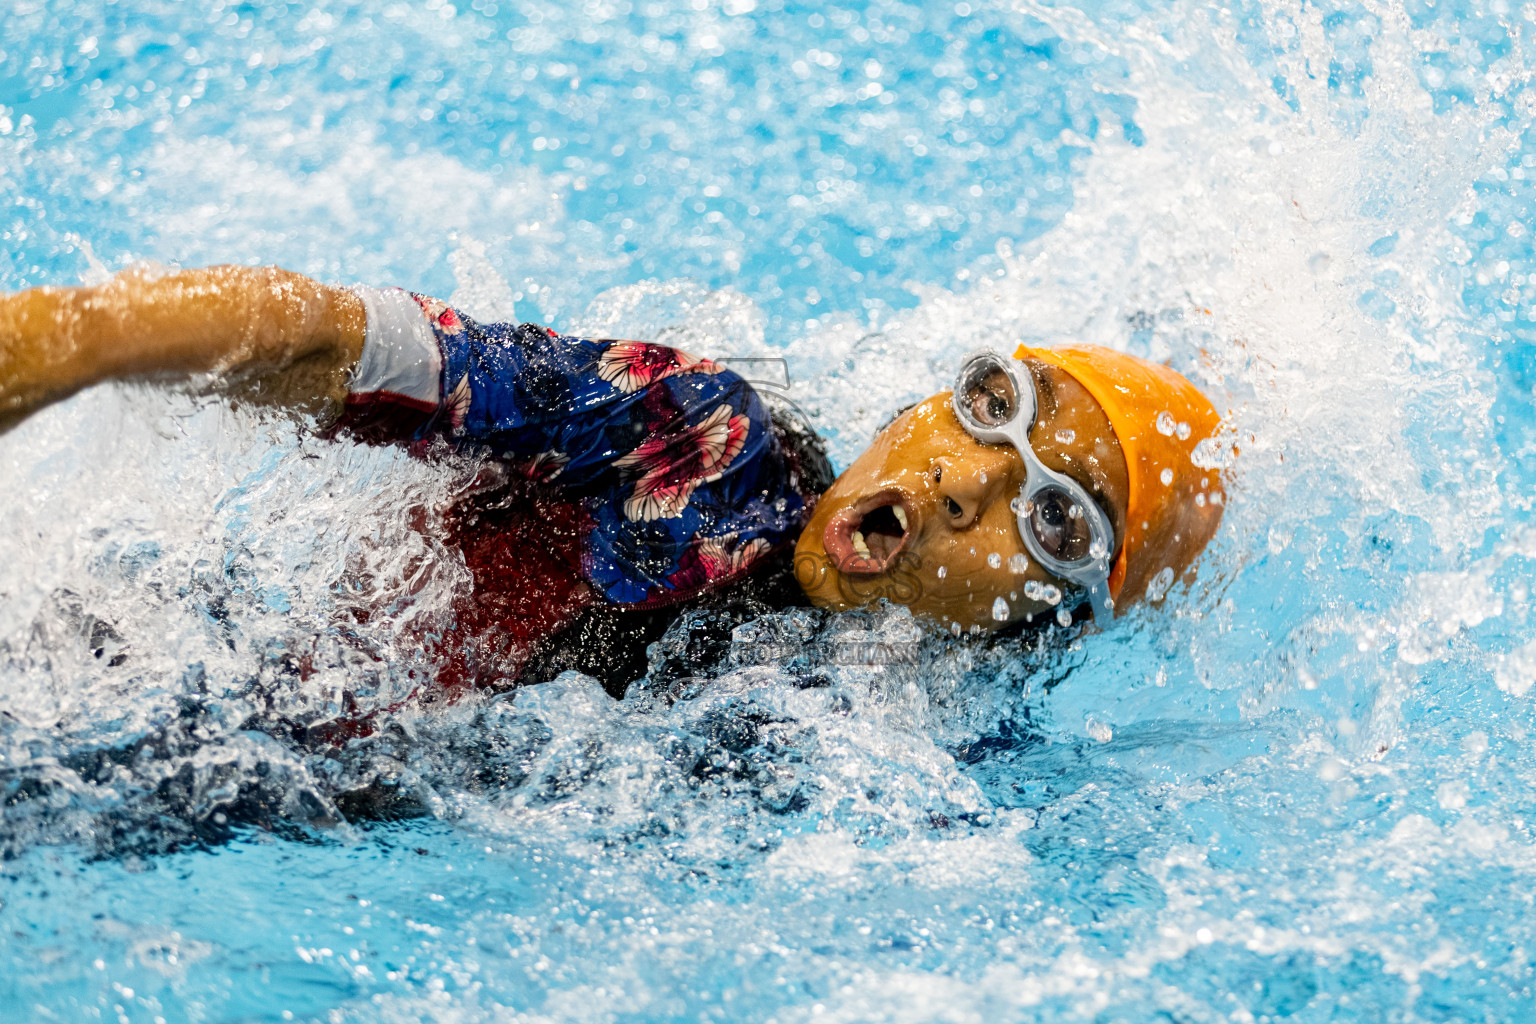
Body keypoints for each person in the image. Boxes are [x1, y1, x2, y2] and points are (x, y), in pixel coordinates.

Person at [0, 263, 1226, 706]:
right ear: (917, 403)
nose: (967, 483)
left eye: (1053, 517)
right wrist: (68, 340)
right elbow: (349, 343)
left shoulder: (929, 768)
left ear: (1050, 622)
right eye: (991, 407)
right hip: (179, 694)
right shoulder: (691, 440)